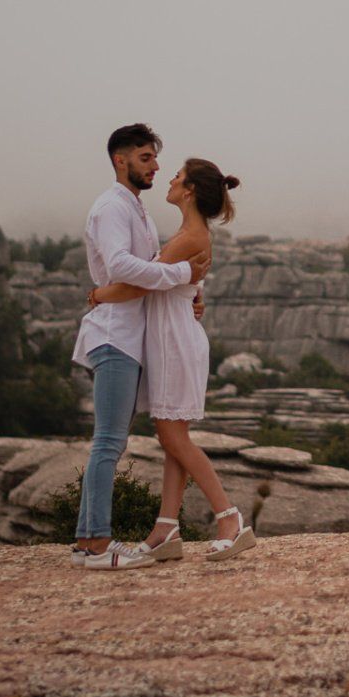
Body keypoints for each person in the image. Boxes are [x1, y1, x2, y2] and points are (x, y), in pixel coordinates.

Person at [89, 157, 252, 561]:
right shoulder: (187, 233)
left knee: (173, 436)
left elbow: (136, 285)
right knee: (172, 438)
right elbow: (173, 285)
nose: (171, 180)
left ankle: (230, 518)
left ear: (191, 189)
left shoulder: (189, 237)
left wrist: (97, 296)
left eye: (178, 176)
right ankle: (165, 527)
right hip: (172, 337)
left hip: (176, 341)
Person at [67, 124, 208, 571]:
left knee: (111, 441)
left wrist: (188, 293)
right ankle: (95, 545)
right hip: (114, 336)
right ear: (120, 160)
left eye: (154, 158)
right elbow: (122, 267)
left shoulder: (137, 211)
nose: (155, 166)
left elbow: (144, 271)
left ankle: (88, 541)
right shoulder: (112, 207)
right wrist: (182, 276)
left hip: (130, 336)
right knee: (108, 442)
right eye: (145, 158)